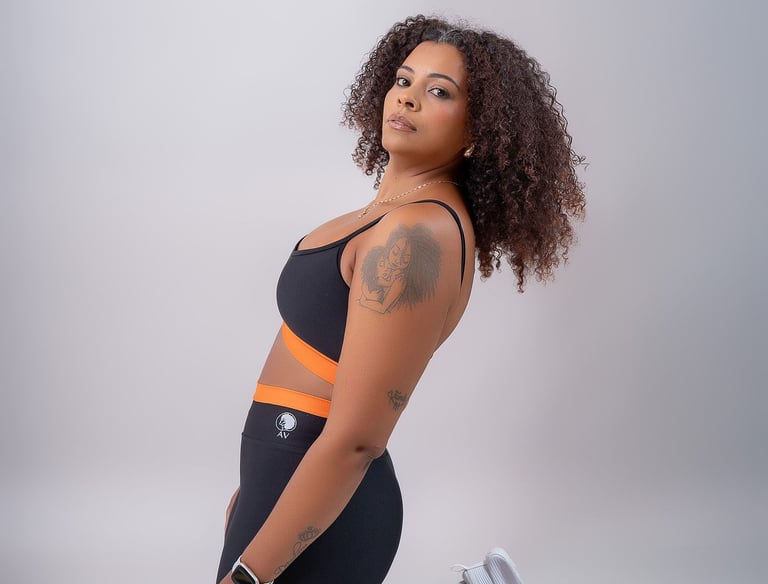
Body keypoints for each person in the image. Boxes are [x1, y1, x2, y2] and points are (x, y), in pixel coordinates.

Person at [216, 14, 585, 584]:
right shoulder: (386, 216)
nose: (408, 98)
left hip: (326, 502)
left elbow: (358, 439)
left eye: (439, 92)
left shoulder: (417, 235)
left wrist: (251, 574)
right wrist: (254, 488)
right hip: (285, 479)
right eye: (404, 80)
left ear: (480, 130)